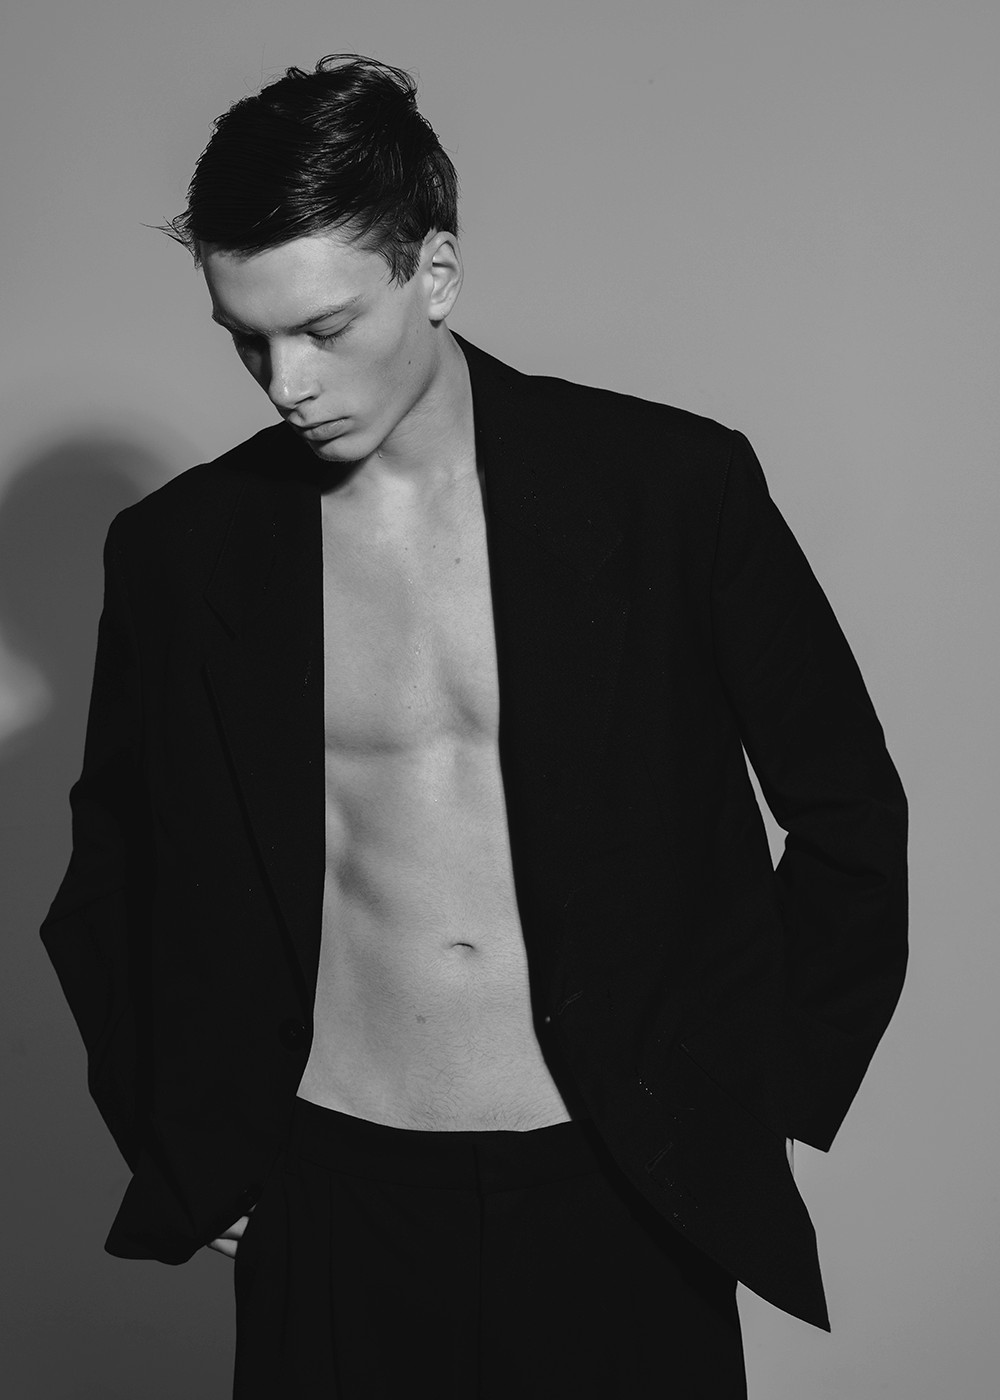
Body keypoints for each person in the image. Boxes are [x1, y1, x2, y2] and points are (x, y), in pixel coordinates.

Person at [41, 53, 908, 1399]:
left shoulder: (670, 492)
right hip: (332, 1189)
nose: (284, 381)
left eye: (323, 328)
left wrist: (753, 1102)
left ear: (433, 272)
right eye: (246, 338)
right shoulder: (181, 554)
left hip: (619, 1183)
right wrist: (184, 1143)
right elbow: (113, 877)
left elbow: (851, 811)